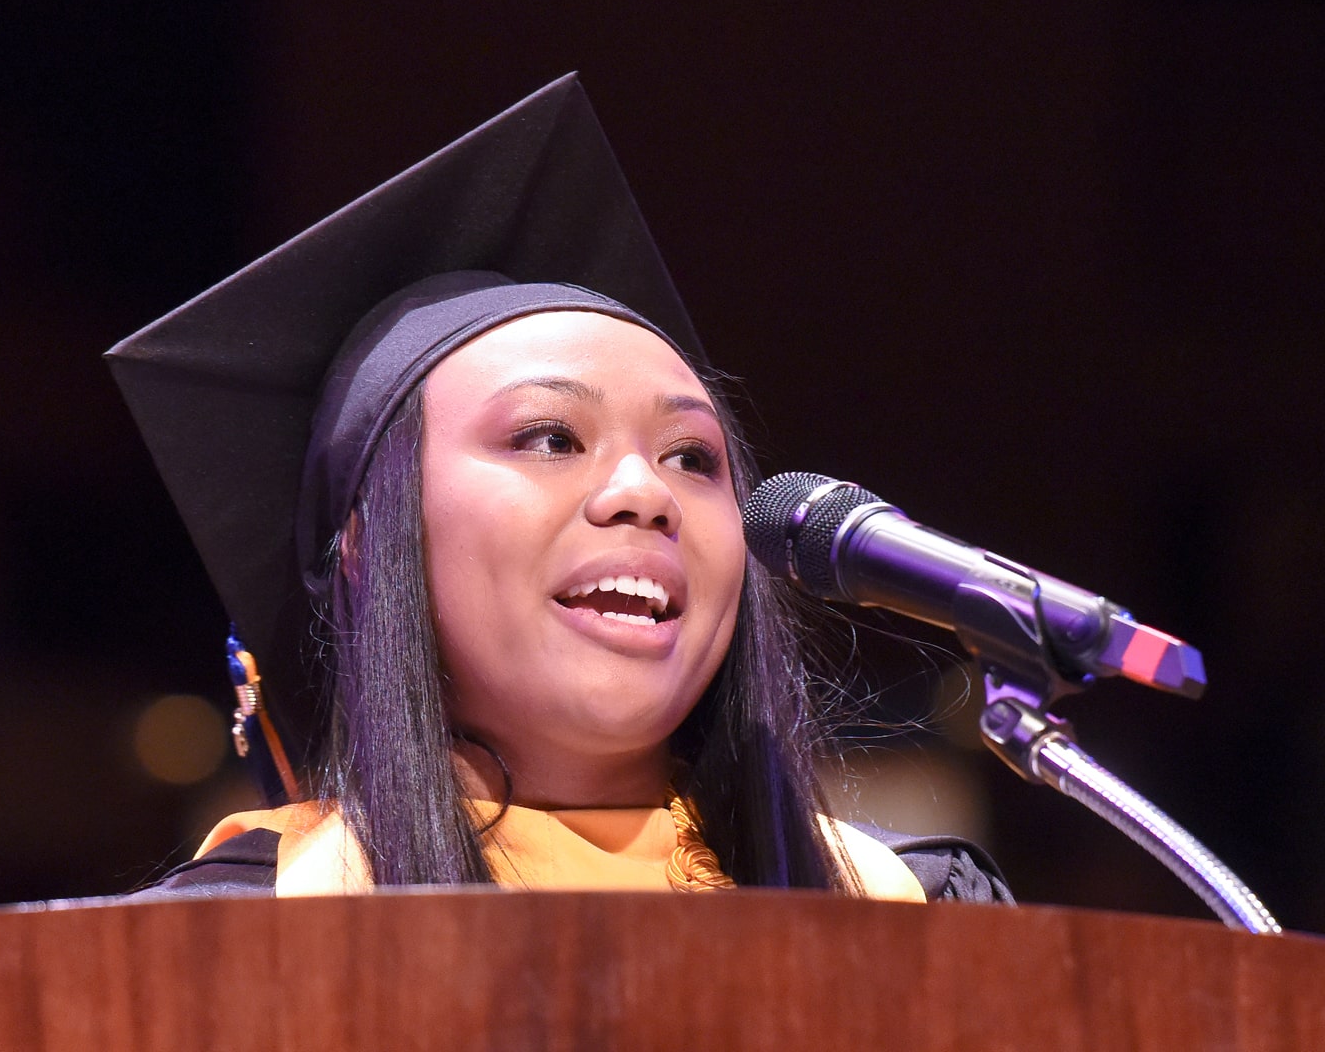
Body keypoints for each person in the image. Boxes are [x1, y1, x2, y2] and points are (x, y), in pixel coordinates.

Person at [109, 75, 1009, 903]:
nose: (643, 492)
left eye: (693, 458)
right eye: (550, 437)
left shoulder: (915, 911)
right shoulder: (214, 949)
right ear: (361, 547)